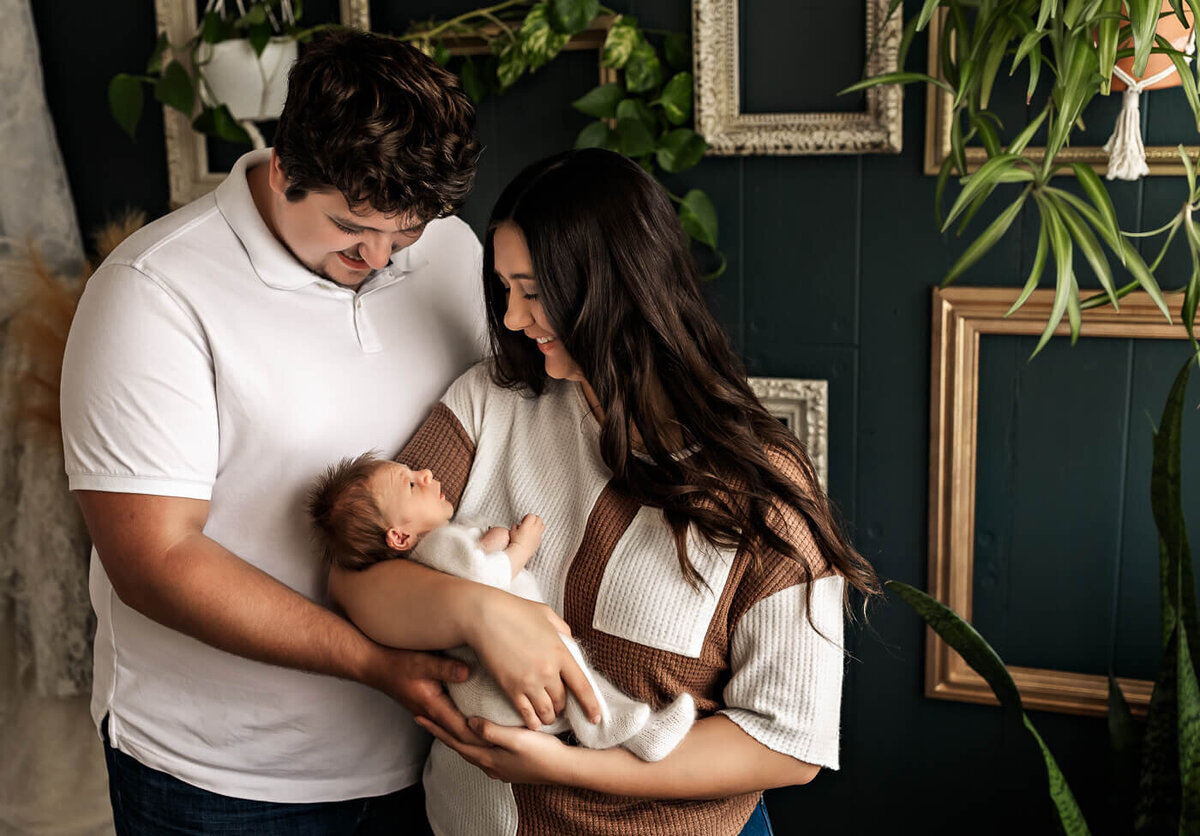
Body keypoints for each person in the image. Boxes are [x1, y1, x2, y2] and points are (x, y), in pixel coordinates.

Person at [60, 29, 599, 834]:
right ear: (284, 170)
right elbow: (155, 559)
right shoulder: (153, 293)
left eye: (405, 229)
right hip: (226, 778)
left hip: (438, 761)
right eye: (353, 226)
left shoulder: (451, 252)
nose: (381, 256)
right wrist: (376, 665)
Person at [330, 148, 884, 835]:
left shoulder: (759, 483)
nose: (510, 318)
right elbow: (357, 577)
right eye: (503, 290)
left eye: (532, 291)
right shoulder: (489, 402)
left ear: (617, 284)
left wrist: (564, 769)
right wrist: (480, 614)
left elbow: (786, 741)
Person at [307, 452, 696, 761]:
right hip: (504, 688)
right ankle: (620, 730)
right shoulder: (437, 544)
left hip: (490, 694)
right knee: (572, 665)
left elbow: (471, 562)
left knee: (572, 666)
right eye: (410, 483)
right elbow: (485, 578)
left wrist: (489, 541)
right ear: (398, 535)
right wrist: (520, 547)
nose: (425, 472)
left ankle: (625, 727)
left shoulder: (419, 561)